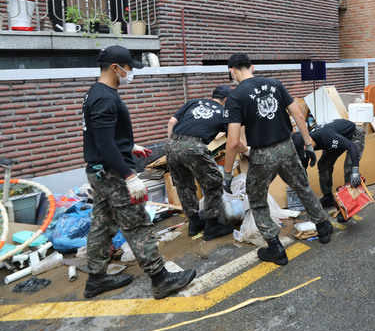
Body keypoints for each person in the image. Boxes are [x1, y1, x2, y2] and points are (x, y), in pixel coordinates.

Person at [82, 45, 196, 299]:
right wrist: (129, 175)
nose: (131, 73)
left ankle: (96, 279)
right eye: (129, 68)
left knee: (102, 224)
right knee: (136, 225)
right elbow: (104, 143)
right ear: (115, 68)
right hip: (113, 174)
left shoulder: (97, 93)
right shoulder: (105, 97)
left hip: (100, 172)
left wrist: (129, 146)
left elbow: (104, 136)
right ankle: (161, 278)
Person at [222, 53, 332, 266]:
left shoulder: (235, 97)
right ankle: (323, 227)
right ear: (252, 67)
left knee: (257, 201)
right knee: (303, 188)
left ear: (232, 71)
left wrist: (227, 175)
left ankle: (276, 248)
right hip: (287, 147)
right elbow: (299, 116)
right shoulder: (275, 84)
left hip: (262, 155)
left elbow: (233, 142)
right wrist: (308, 145)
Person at [166, 85, 234, 239]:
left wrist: (172, 144)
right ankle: (212, 227)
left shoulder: (194, 102)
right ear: (226, 99)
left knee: (184, 185)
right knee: (214, 183)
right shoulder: (224, 113)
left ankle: (194, 222)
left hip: (171, 145)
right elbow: (233, 139)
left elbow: (171, 122)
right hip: (194, 147)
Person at [291, 118, 365, 208]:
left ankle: (350, 204)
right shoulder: (307, 143)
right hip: (337, 137)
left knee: (349, 169)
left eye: (304, 151)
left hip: (353, 136)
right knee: (323, 164)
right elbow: (303, 167)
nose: (305, 153)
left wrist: (355, 170)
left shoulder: (326, 137)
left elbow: (352, 146)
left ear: (307, 143)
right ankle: (328, 198)